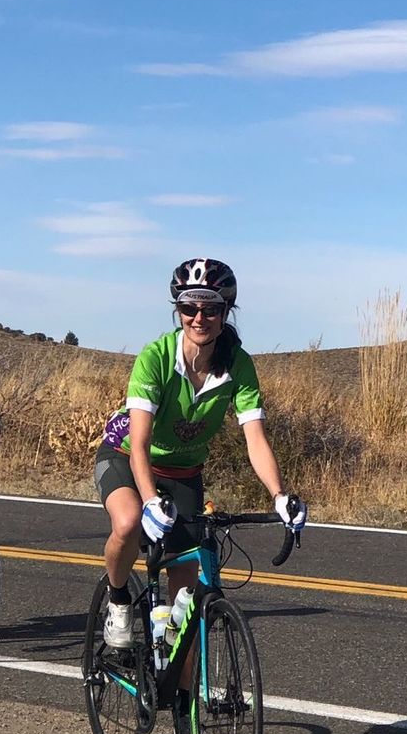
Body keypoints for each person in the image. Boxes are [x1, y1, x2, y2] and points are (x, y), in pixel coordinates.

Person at [95, 257, 306, 648]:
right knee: (127, 522)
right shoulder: (156, 358)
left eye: (210, 309)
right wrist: (149, 502)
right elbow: (139, 444)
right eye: (188, 308)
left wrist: (279, 495)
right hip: (126, 456)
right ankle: (119, 600)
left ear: (226, 313)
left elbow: (255, 438)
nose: (198, 318)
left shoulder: (238, 366)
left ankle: (180, 680)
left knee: (185, 608)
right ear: (178, 311)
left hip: (183, 471)